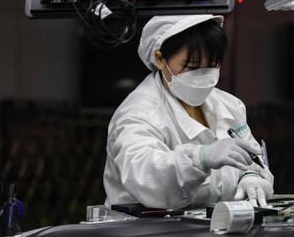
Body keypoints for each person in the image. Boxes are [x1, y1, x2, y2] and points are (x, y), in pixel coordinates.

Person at [103, 15, 274, 209]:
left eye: (213, 65)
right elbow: (145, 173)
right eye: (192, 66)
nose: (204, 75)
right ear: (160, 59)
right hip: (145, 232)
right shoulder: (138, 114)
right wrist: (200, 158)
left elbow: (254, 159)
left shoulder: (229, 105)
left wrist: (251, 176)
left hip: (217, 228)